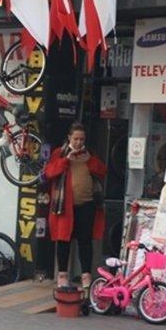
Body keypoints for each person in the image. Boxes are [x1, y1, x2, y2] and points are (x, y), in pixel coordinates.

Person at [43, 123, 106, 289]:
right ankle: (62, 274)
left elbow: (102, 171)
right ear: (69, 138)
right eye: (76, 138)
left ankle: (86, 275)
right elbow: (49, 173)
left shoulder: (89, 153)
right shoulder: (59, 152)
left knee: (85, 241)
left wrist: (90, 161)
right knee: (63, 240)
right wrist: (66, 160)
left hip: (86, 204)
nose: (79, 142)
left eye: (82, 139)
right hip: (65, 206)